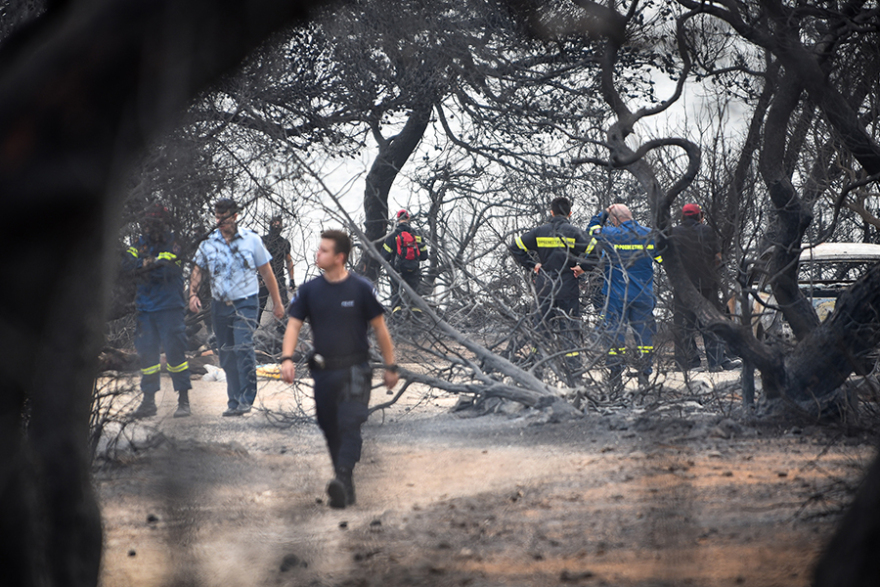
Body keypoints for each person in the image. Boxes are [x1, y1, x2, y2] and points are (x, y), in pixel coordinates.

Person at [281, 230, 399, 509]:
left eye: (323, 251)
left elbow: (380, 328)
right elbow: (294, 325)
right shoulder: (310, 290)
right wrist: (287, 358)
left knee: (351, 421)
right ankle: (344, 485)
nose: (317, 254)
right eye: (318, 249)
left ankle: (343, 477)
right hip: (324, 371)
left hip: (356, 367)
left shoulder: (360, 288)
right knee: (330, 428)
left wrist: (391, 365)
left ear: (339, 257)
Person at [189, 198, 285, 416]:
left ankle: (246, 398)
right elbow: (197, 269)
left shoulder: (251, 240)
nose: (220, 222)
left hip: (246, 303)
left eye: (224, 218)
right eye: (217, 217)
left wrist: (278, 302)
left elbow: (267, 272)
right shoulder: (209, 242)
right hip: (219, 306)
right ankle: (233, 400)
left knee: (243, 347)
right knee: (226, 353)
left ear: (235, 216)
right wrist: (192, 294)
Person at [509, 196, 594, 382]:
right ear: (570, 213)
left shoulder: (540, 231)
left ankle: (537, 376)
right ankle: (575, 378)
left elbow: (515, 246)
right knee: (570, 332)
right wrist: (583, 268)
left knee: (541, 331)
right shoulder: (574, 232)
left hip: (544, 286)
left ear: (551, 212)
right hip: (568, 286)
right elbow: (596, 252)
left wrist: (533, 265)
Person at [123, 204, 192, 418]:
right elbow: (127, 266)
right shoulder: (139, 243)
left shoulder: (174, 242)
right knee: (147, 355)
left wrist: (145, 266)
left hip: (169, 307)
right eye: (147, 223)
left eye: (154, 223)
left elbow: (169, 270)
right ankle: (148, 402)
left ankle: (183, 401)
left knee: (175, 354)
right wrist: (150, 264)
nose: (149, 228)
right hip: (145, 308)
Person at [586, 203, 661, 389]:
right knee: (644, 337)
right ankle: (644, 377)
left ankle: (615, 377)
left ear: (615, 220)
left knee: (614, 334)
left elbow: (591, 230)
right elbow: (662, 258)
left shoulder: (610, 234)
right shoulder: (649, 234)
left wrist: (602, 214)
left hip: (616, 295)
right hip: (643, 294)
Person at [669, 203, 742, 372]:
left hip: (682, 287)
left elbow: (667, 258)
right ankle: (716, 361)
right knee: (711, 322)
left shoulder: (673, 233)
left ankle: (687, 362)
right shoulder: (708, 231)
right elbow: (718, 257)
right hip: (706, 286)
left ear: (682, 217)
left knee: (683, 325)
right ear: (699, 216)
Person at [381, 209, 428, 316]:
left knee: (396, 293)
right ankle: (417, 320)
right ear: (408, 218)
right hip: (413, 269)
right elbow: (424, 256)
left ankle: (397, 319)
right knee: (414, 295)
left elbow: (384, 256)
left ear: (398, 220)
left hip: (396, 270)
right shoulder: (417, 234)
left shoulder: (392, 235)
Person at [257, 214, 296, 326]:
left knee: (283, 307)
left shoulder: (284, 243)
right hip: (263, 279)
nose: (277, 227)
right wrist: (258, 276)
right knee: (258, 307)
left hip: (279, 278)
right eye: (275, 225)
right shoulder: (262, 241)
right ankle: (250, 333)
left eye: (279, 225)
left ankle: (282, 333)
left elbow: (289, 261)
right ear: (270, 226)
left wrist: (292, 279)